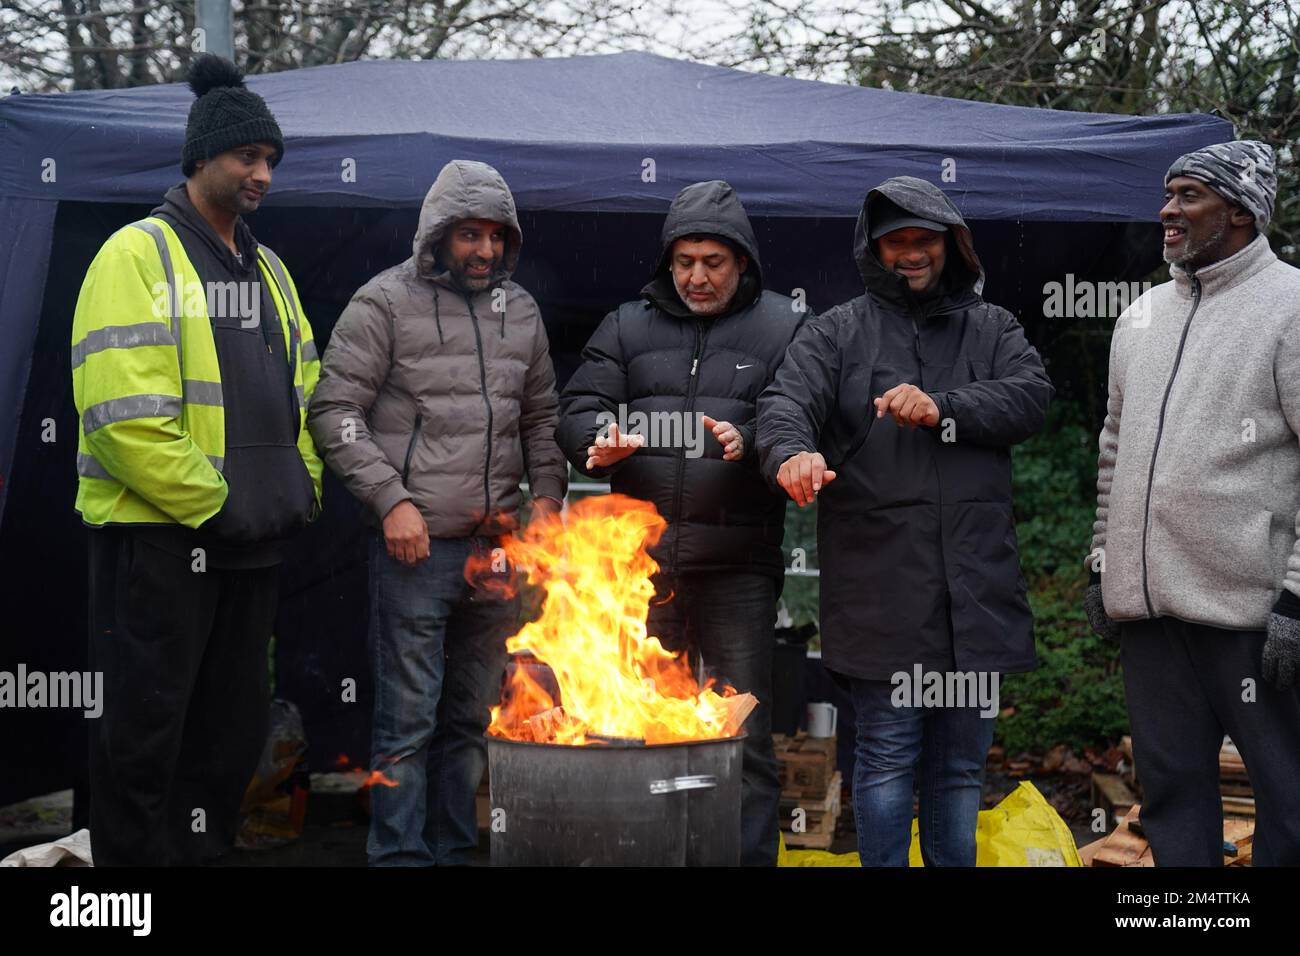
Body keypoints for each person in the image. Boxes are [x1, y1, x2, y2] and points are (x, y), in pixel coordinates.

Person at [71, 54, 322, 865]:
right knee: (143, 740)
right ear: (201, 157)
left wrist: (301, 488)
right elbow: (121, 421)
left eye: (271, 160)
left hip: (253, 549)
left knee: (227, 742)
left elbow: (307, 396)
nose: (263, 175)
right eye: (248, 156)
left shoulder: (272, 270)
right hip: (159, 547)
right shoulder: (137, 255)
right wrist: (220, 504)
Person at [758, 175, 1052, 866]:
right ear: (874, 250)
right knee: (887, 759)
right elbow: (783, 404)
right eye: (896, 242)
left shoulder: (994, 327)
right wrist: (792, 452)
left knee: (960, 770)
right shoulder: (836, 331)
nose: (912, 253)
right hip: (880, 592)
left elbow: (1032, 396)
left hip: (977, 594)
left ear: (952, 244)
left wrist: (945, 406)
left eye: (925, 239)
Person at [308, 159, 567, 866]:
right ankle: (398, 857)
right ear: (437, 234)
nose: (484, 250)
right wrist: (391, 501)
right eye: (469, 235)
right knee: (407, 722)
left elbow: (543, 420)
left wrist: (547, 499)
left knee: (471, 719)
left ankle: (453, 852)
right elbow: (334, 411)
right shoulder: (384, 302)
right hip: (415, 552)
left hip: (498, 552)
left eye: (496, 236)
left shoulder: (521, 311)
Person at [557, 180, 804, 866]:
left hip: (738, 569)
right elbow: (579, 407)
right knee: (636, 731)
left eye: (713, 262)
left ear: (742, 262)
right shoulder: (626, 325)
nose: (697, 276)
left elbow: (800, 415)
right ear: (668, 261)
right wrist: (597, 439)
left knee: (743, 737)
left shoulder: (785, 326)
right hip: (640, 572)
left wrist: (752, 440)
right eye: (685, 261)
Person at [1085, 140, 1300, 865]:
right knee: (1172, 801)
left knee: (1290, 799)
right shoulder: (1141, 316)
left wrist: (1297, 599)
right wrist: (1103, 562)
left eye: (1188, 196)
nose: (1167, 211)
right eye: (1167, 194)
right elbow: (1114, 449)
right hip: (1151, 617)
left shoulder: (1291, 306)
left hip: (1254, 615)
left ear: (1240, 211)